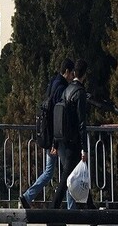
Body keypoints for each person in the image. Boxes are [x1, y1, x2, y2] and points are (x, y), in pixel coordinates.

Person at [19, 58, 75, 209]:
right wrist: (55, 142)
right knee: (68, 172)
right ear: (67, 72)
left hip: (49, 135)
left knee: (49, 172)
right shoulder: (61, 88)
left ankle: (27, 196)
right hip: (56, 138)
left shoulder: (53, 83)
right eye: (72, 74)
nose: (72, 77)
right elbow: (57, 117)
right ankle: (71, 208)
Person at [51, 58, 95, 209]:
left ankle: (90, 207)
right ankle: (53, 210)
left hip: (63, 139)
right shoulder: (80, 92)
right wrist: (84, 148)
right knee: (66, 179)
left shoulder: (67, 89)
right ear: (85, 74)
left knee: (79, 175)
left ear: (74, 72)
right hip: (74, 143)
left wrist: (55, 142)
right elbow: (82, 123)